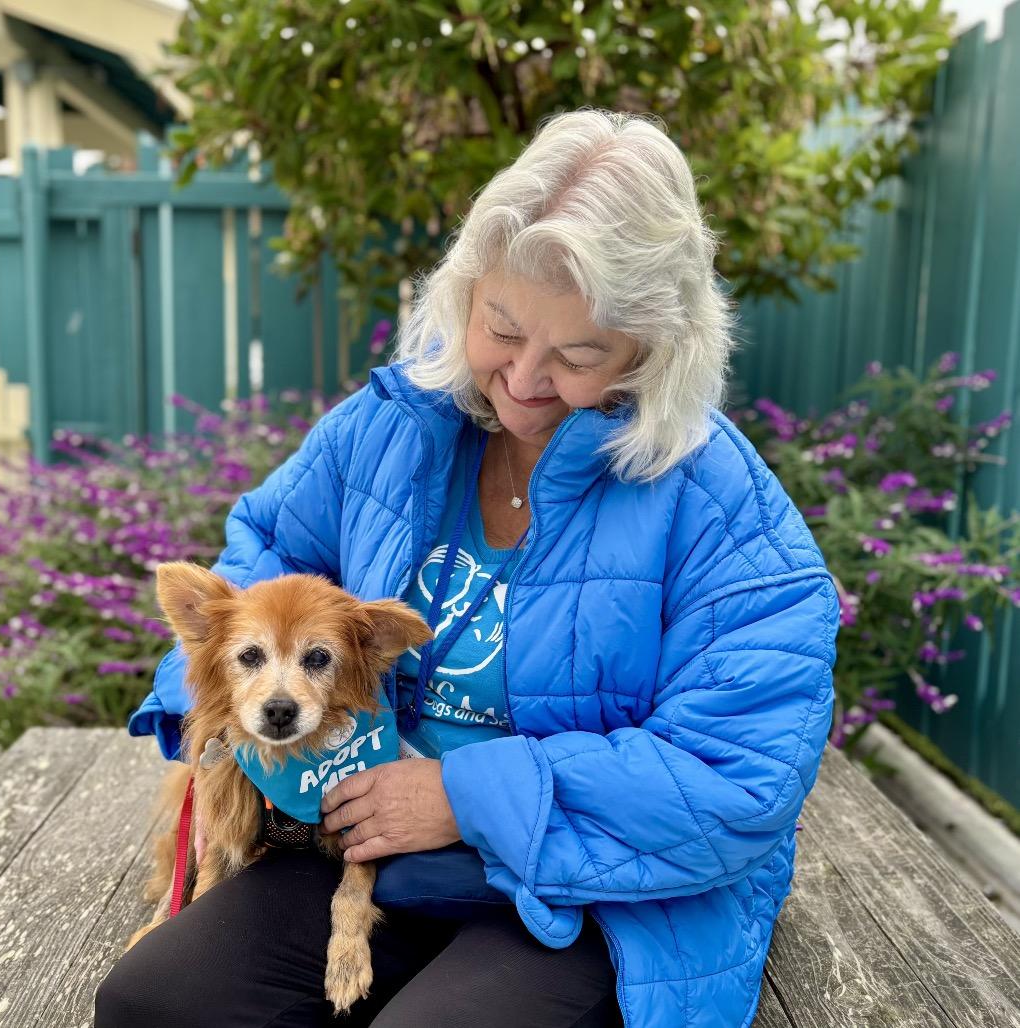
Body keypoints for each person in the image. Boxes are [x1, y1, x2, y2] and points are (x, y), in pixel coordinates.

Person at [95, 107, 838, 1028]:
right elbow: (262, 561)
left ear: (654, 350)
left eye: (578, 354)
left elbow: (737, 777)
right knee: (154, 1005)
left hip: (598, 891)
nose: (523, 379)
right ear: (466, 293)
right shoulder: (396, 426)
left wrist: (464, 797)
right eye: (502, 328)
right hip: (359, 848)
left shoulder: (722, 509)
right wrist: (216, 701)